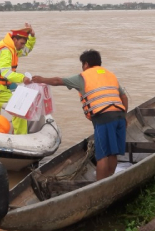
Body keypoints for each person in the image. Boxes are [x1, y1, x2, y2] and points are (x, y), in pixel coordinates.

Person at [32, 50, 128, 180]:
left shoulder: (83, 77)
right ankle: (110, 179)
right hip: (120, 117)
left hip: (103, 118)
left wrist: (41, 79)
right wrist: (124, 115)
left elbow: (57, 81)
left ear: (86, 64)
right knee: (113, 154)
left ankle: (99, 186)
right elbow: (123, 97)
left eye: (82, 64)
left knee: (102, 156)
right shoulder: (110, 75)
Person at [0, 25, 36, 135]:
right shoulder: (6, 51)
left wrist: (32, 37)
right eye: (21, 43)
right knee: (19, 110)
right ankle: (21, 137)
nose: (22, 46)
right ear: (15, 40)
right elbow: (5, 72)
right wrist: (22, 78)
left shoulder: (11, 47)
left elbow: (25, 51)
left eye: (24, 43)